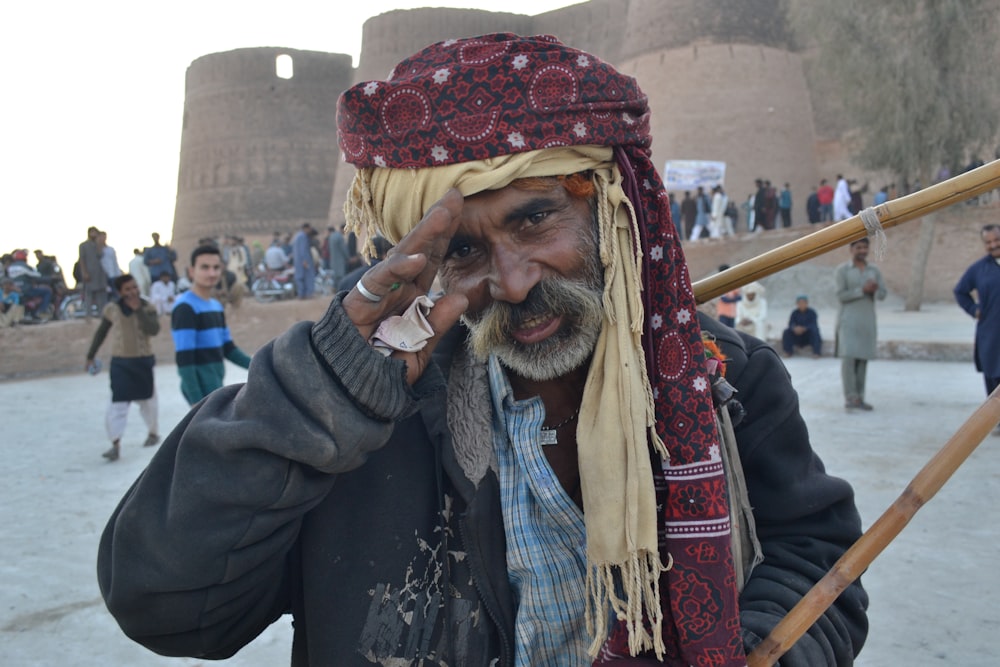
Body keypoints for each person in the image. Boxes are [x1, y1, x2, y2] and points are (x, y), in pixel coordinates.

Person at [98, 34, 867, 667]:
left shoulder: (720, 380)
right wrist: (318, 394)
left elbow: (815, 552)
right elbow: (162, 603)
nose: (513, 279)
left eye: (536, 222)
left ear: (613, 212)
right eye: (463, 250)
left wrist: (766, 648)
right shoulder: (364, 414)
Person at [85, 274, 161, 461]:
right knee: (117, 404)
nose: (133, 292)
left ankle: (153, 433)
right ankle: (115, 443)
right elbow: (101, 332)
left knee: (148, 401)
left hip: (142, 361)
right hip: (121, 363)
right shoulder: (112, 309)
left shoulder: (147, 306)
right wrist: (90, 355)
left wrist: (139, 311)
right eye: (128, 289)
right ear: (120, 292)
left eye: (134, 287)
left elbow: (154, 330)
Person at [169, 245, 251, 405]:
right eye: (205, 267)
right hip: (200, 391)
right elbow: (185, 359)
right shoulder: (185, 307)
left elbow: (229, 349)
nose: (212, 273)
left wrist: (259, 365)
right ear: (191, 271)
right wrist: (196, 402)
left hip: (216, 385)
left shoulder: (215, 306)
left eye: (216, 268)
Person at [953, 224, 1000, 427]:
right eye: (988, 242)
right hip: (990, 333)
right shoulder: (978, 269)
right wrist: (974, 310)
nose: (994, 245)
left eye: (997, 240)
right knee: (993, 375)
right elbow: (960, 291)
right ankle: (996, 420)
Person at [835, 238, 886, 410]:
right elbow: (841, 295)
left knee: (863, 360)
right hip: (848, 320)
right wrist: (861, 290)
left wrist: (876, 288)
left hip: (867, 321)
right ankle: (850, 397)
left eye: (865, 247)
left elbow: (883, 295)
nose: (862, 250)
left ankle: (860, 398)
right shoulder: (843, 270)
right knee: (849, 359)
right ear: (851, 249)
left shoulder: (874, 270)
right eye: (859, 247)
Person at [78, 226, 108, 321]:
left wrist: (99, 244)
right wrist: (84, 272)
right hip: (89, 273)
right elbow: (82, 260)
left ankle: (101, 314)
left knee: (101, 295)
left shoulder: (99, 245)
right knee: (89, 294)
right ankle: (88, 315)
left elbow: (101, 256)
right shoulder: (83, 246)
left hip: (100, 274)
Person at [292, 222, 316, 298]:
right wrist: (305, 260)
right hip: (304, 261)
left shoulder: (297, 236)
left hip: (298, 261)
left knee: (300, 277)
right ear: (306, 228)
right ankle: (308, 294)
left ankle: (301, 294)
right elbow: (303, 250)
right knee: (308, 277)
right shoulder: (303, 237)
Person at [714, 264, 741, 328]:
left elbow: (739, 297)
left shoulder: (733, 283)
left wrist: (731, 299)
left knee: (732, 332)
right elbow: (724, 299)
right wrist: (733, 299)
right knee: (724, 330)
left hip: (732, 313)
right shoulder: (719, 283)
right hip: (723, 313)